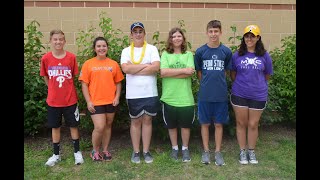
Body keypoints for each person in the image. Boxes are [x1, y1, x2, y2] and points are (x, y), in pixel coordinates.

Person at [40, 29, 84, 166]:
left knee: (74, 126)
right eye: (55, 39)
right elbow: (46, 77)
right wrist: (52, 88)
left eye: (61, 39)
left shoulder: (71, 57)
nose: (58, 41)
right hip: (53, 101)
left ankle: (77, 152)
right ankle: (56, 154)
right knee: (55, 127)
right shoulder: (46, 58)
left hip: (70, 99)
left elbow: (74, 76)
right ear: (51, 41)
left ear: (65, 41)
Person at [230, 25, 273, 165]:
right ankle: (242, 151)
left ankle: (251, 151)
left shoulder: (264, 55)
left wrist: (256, 85)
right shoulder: (237, 54)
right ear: (243, 37)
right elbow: (233, 74)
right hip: (239, 93)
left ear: (258, 37)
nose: (249, 38)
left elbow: (267, 75)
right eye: (247, 36)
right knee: (241, 123)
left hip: (258, 95)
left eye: (252, 36)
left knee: (253, 124)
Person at [120, 22, 160, 164]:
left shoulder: (152, 49)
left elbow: (155, 68)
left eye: (140, 31)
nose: (138, 34)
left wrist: (134, 67)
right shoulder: (126, 51)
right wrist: (145, 65)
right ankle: (136, 151)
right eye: (135, 31)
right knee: (136, 121)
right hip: (133, 94)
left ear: (144, 33)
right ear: (131, 35)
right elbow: (126, 69)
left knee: (147, 120)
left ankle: (146, 151)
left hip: (150, 92)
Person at [79, 36, 124, 161]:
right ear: (94, 48)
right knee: (99, 127)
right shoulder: (88, 64)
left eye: (104, 46)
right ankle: (95, 151)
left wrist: (117, 97)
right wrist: (88, 101)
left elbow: (118, 82)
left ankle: (105, 150)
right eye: (98, 46)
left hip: (111, 101)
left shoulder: (113, 64)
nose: (101, 48)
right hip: (96, 102)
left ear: (107, 48)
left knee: (108, 126)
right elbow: (84, 84)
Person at [194, 20, 232, 166]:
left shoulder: (226, 52)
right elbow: (199, 72)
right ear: (207, 33)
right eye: (211, 31)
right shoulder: (200, 51)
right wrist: (206, 84)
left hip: (220, 94)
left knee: (218, 124)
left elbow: (226, 72)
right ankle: (206, 151)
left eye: (216, 31)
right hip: (205, 94)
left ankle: (217, 152)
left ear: (221, 32)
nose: (213, 34)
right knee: (204, 123)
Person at [160, 27, 195, 162]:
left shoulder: (188, 55)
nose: (176, 39)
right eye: (174, 36)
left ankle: (185, 148)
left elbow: (190, 72)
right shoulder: (165, 54)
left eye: (179, 36)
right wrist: (183, 71)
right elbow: (163, 73)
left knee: (185, 126)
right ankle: (175, 148)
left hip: (185, 98)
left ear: (183, 39)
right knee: (172, 125)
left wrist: (172, 72)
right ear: (170, 39)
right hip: (169, 97)